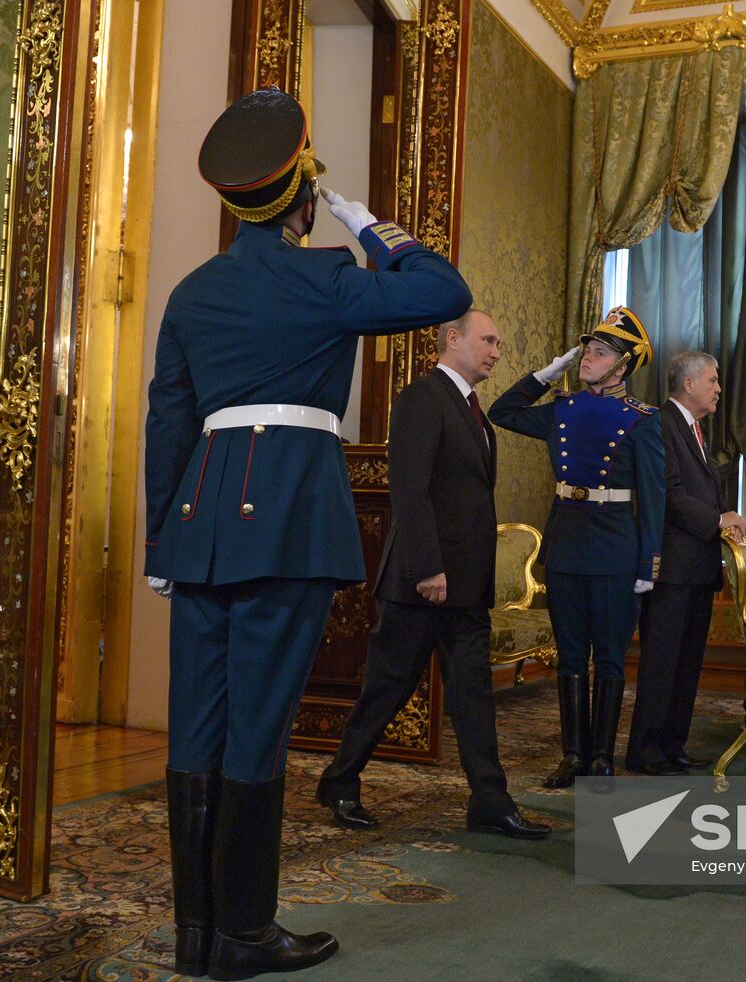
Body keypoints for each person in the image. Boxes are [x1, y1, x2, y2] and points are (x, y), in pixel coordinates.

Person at [144, 88, 471, 980]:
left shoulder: (193, 292)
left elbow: (169, 422)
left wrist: (161, 543)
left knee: (196, 730)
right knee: (258, 728)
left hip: (200, 522)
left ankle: (197, 936)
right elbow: (445, 290)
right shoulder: (324, 276)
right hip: (287, 513)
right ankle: (243, 934)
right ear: (301, 199)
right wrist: (370, 226)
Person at [315, 309, 549, 840]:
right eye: (488, 340)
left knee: (473, 694)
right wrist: (427, 567)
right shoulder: (423, 397)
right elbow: (410, 489)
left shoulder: (471, 408)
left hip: (466, 584)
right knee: (388, 689)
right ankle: (340, 780)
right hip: (423, 584)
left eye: (499, 343)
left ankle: (490, 801)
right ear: (453, 339)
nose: (496, 352)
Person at [488, 307, 664, 789]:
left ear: (622, 367)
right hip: (567, 546)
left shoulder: (642, 420)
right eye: (587, 350)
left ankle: (601, 757)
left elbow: (653, 497)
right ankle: (572, 756)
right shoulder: (562, 409)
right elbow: (501, 412)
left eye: (600, 353)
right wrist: (546, 375)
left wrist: (648, 562)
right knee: (569, 657)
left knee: (608, 658)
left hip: (615, 550)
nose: (588, 358)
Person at [626, 352, 746, 776]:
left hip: (697, 566)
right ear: (689, 384)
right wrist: (718, 520)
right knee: (662, 662)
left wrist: (723, 523)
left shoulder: (695, 429)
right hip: (671, 568)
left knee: (687, 662)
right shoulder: (660, 423)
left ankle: (672, 745)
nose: (718, 388)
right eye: (712, 380)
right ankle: (645, 750)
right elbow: (669, 493)